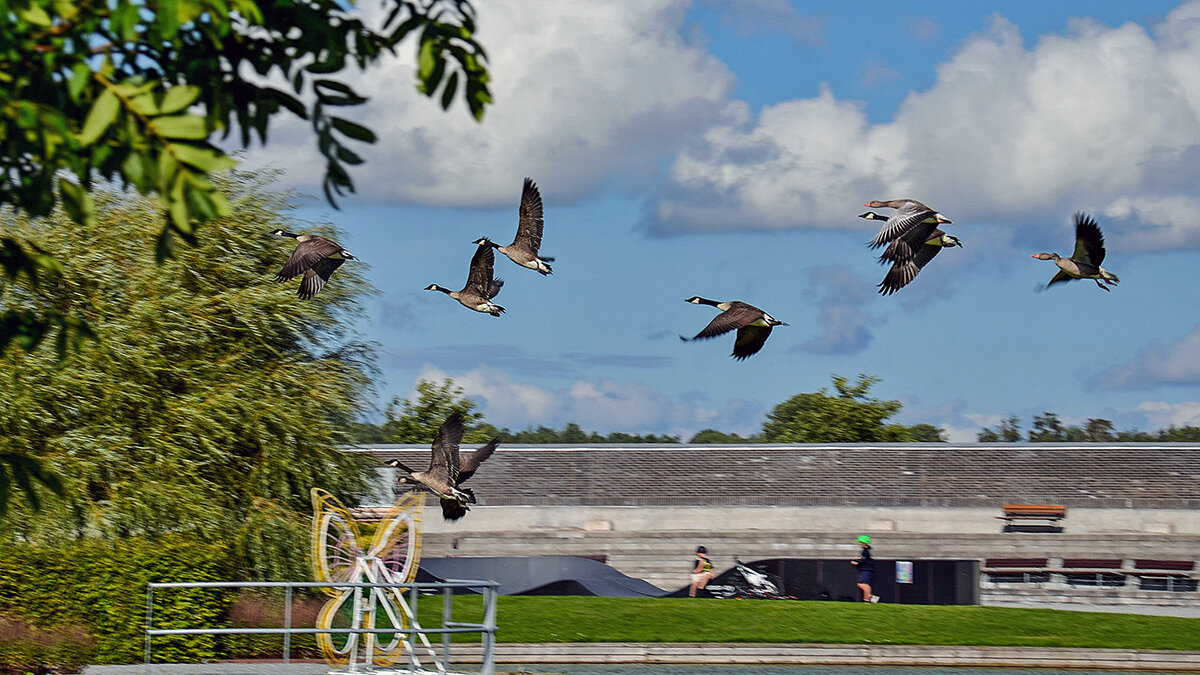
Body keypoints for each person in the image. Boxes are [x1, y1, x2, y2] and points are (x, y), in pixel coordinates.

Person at [851, 535, 880, 603]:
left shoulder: (865, 551)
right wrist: (859, 558)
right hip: (867, 569)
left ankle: (870, 596)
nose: (860, 543)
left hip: (866, 569)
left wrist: (856, 563)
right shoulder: (866, 551)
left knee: (862, 584)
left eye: (861, 542)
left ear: (864, 542)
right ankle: (866, 599)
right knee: (866, 584)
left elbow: (864, 561)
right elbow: (865, 558)